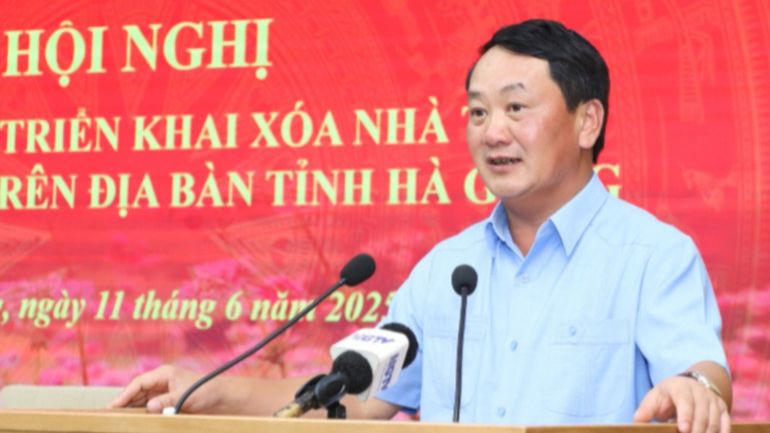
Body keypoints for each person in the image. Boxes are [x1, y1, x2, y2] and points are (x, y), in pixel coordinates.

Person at [110, 19, 732, 433]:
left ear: (587, 121)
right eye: (478, 113)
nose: (492, 133)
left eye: (516, 108)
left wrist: (695, 388)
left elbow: (704, 374)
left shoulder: (653, 255)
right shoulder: (446, 268)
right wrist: (206, 391)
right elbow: (361, 400)